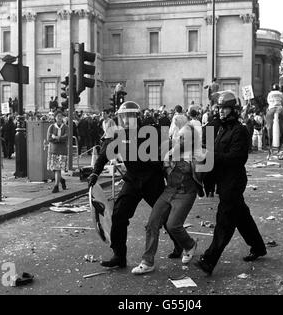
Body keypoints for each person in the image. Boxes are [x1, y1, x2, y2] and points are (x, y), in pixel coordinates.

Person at [88, 101, 182, 268]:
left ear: (135, 117)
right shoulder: (119, 135)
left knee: (166, 215)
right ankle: (119, 255)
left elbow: (161, 156)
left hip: (151, 180)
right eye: (123, 116)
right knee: (119, 215)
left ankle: (180, 243)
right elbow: (104, 154)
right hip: (132, 181)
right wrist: (95, 172)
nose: (124, 119)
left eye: (128, 116)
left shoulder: (149, 133)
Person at [195, 91, 267, 275]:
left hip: (234, 181)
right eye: (219, 108)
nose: (221, 111)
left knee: (225, 221)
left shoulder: (240, 130)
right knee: (242, 217)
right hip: (223, 180)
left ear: (233, 110)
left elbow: (237, 158)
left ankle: (209, 260)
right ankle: (258, 247)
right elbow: (208, 141)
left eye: (224, 108)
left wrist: (212, 156)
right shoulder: (222, 129)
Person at [132, 122, 204, 275]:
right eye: (179, 136)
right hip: (169, 191)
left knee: (173, 225)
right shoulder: (169, 151)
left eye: (184, 138)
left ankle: (190, 245)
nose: (180, 140)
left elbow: (206, 175)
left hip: (186, 193)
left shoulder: (198, 155)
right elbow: (153, 164)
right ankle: (147, 262)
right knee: (152, 223)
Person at [47, 111, 68, 194]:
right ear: (55, 118)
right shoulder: (51, 127)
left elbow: (66, 137)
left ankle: (56, 186)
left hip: (62, 150)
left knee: (58, 169)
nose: (59, 118)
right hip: (53, 150)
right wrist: (59, 139)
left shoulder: (66, 127)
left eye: (61, 116)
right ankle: (61, 180)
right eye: (58, 116)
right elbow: (49, 138)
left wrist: (56, 138)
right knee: (54, 169)